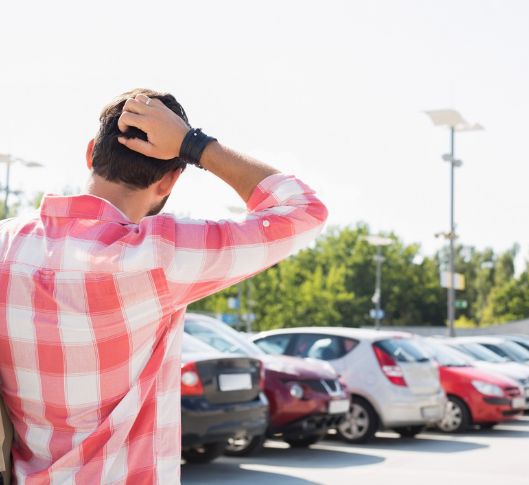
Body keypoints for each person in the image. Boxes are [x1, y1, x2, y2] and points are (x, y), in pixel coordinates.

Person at [0, 89, 328, 484]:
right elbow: (303, 210)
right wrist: (195, 144)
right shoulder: (159, 256)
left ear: (90, 154)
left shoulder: (7, 244)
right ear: (170, 180)